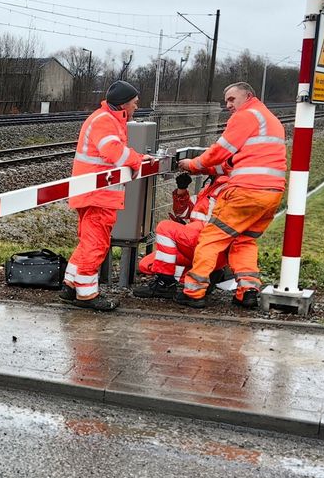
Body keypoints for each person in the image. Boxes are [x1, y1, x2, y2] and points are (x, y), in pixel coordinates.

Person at [177, 82, 286, 308]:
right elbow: (235, 161)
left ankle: (194, 292)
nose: (228, 105)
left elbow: (220, 151)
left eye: (231, 99)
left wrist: (193, 165)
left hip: (245, 191)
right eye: (226, 100)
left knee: (211, 237)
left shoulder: (245, 116)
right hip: (272, 193)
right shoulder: (271, 120)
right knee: (244, 241)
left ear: (248, 96)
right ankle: (248, 291)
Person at [62, 80, 147, 311]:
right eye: (135, 103)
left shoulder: (106, 119)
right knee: (96, 243)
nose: (136, 108)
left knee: (88, 241)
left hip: (92, 193)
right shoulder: (106, 121)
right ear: (123, 104)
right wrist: (137, 159)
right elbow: (113, 152)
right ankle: (87, 295)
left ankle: (70, 284)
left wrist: (135, 157)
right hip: (99, 195)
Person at [132, 169, 234, 298]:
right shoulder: (210, 187)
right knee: (146, 265)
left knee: (165, 227)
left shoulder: (226, 187)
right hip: (196, 245)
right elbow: (185, 213)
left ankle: (165, 283)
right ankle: (207, 277)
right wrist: (182, 190)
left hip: (208, 246)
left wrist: (188, 230)